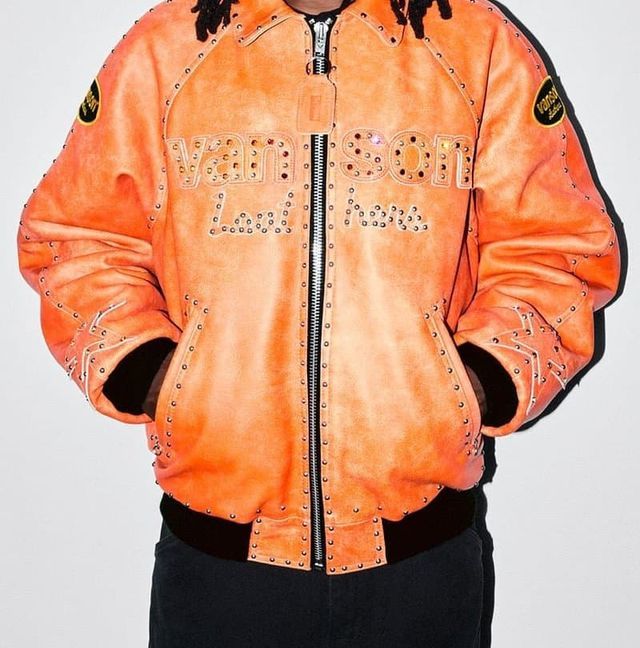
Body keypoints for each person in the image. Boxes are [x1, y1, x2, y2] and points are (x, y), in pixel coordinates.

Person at [16, 0, 621, 646]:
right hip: (218, 572)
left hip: (421, 569)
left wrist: (478, 384)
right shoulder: (167, 50)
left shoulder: (476, 46)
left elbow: (557, 250)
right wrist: (156, 377)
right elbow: (73, 241)